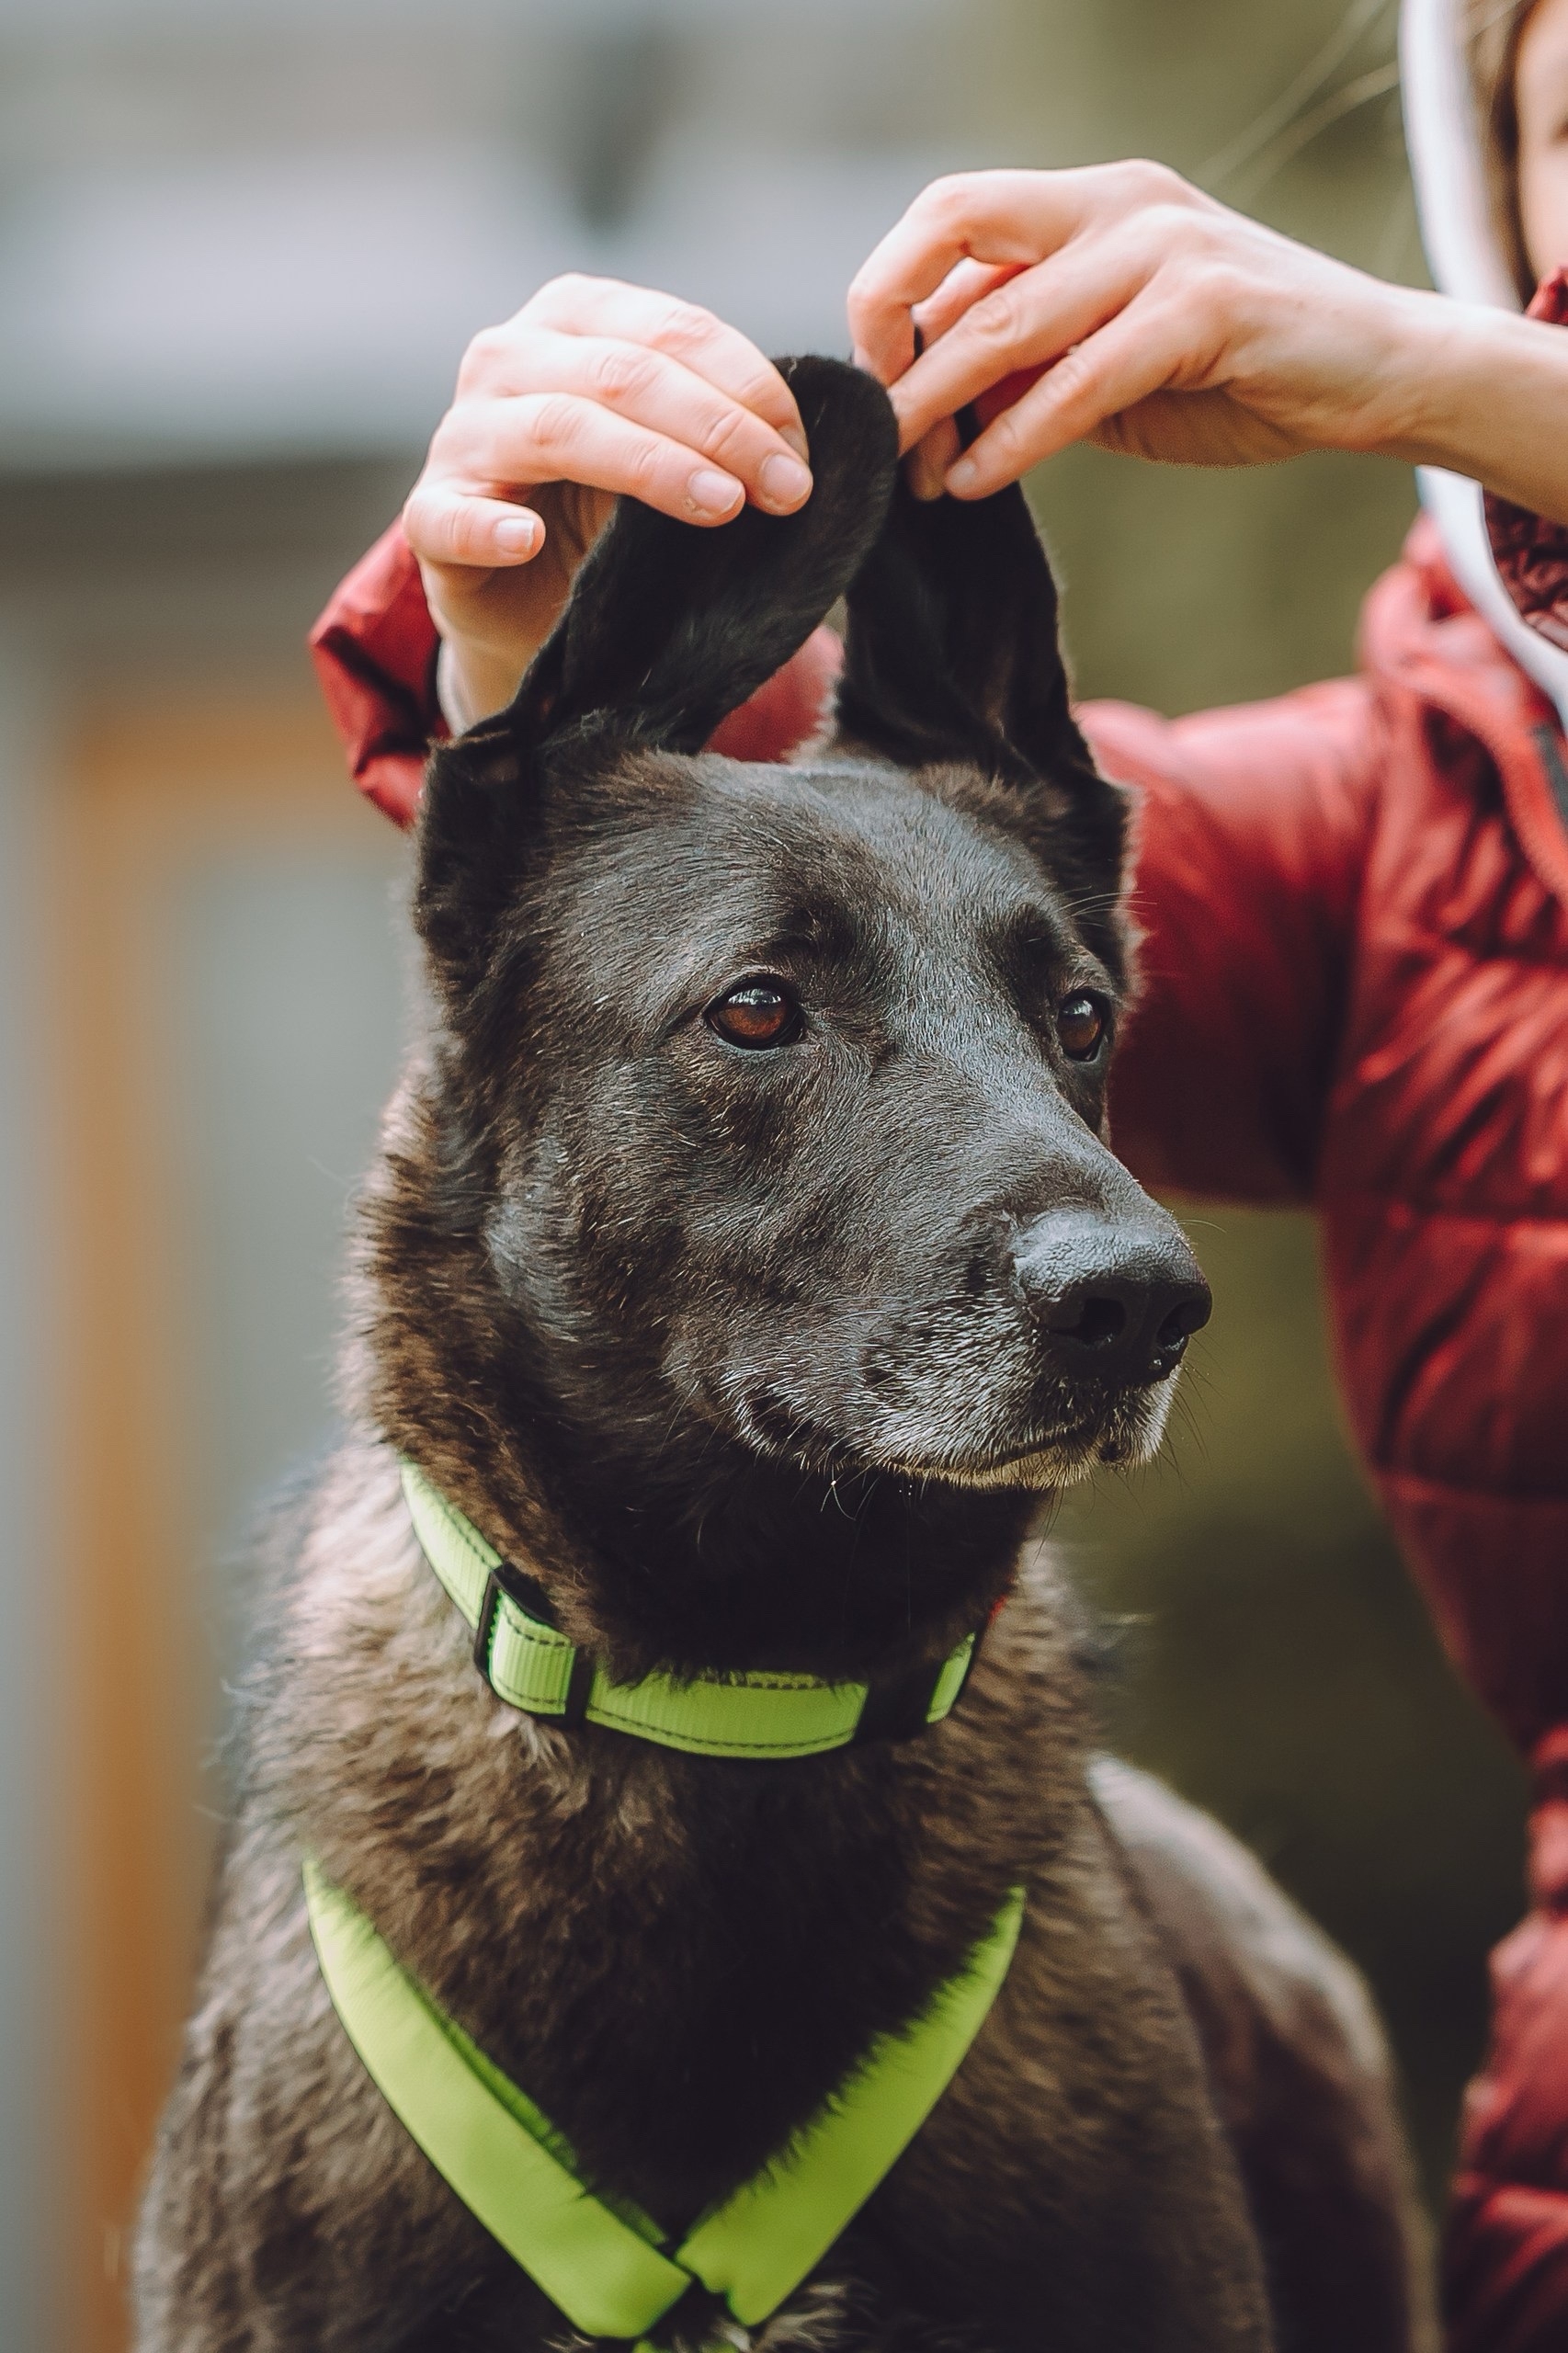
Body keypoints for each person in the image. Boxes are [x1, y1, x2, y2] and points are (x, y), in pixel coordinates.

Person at [308, 0, 1568, 2344]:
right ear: (1495, 200)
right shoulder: (1425, 831)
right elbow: (836, 896)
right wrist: (511, 643)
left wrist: (1448, 381)